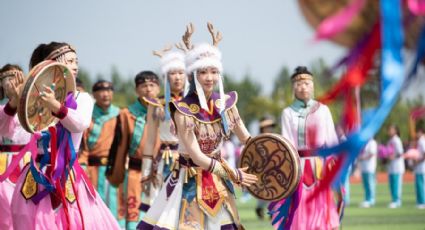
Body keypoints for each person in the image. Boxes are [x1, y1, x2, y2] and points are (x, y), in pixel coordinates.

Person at [137, 22, 257, 230]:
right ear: (193, 75)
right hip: (188, 180)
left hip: (219, 181)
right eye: (203, 72)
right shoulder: (183, 109)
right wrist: (232, 173)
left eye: (213, 71)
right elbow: (196, 155)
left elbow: (247, 139)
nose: (209, 77)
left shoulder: (227, 104)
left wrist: (274, 153)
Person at [10, 41, 120, 229]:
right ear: (51, 65)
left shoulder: (82, 98)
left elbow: (80, 124)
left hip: (67, 174)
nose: (75, 66)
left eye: (76, 61)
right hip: (37, 172)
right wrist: (15, 101)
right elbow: (14, 132)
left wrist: (56, 106)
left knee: (74, 221)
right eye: (69, 61)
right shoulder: (33, 101)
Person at [273, 66, 340, 229]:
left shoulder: (323, 110)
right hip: (298, 167)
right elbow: (287, 142)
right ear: (293, 88)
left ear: (313, 86)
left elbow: (331, 139)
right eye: (298, 83)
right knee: (299, 207)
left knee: (322, 206)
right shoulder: (287, 113)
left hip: (319, 166)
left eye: (307, 83)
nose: (303, 87)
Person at [106, 71, 161, 229]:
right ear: (137, 90)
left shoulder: (167, 111)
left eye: (152, 85)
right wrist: (117, 174)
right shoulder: (127, 114)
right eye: (144, 86)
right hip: (135, 173)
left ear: (158, 88)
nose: (148, 89)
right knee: (134, 215)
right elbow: (120, 148)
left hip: (160, 173)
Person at [141, 47, 186, 214]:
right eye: (173, 73)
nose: (178, 77)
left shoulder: (194, 103)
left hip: (192, 161)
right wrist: (146, 174)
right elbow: (150, 140)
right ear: (166, 76)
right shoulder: (156, 104)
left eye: (181, 72)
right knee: (166, 209)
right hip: (166, 161)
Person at [79, 80, 120, 218]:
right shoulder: (87, 115)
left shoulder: (119, 115)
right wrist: (82, 165)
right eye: (101, 91)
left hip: (113, 169)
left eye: (109, 90)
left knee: (114, 207)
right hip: (91, 169)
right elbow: (82, 145)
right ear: (94, 95)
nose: (105, 94)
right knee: (92, 208)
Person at [0, 64, 31, 230]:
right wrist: (13, 102)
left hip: (28, 162)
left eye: (15, 78)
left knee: (27, 213)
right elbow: (4, 125)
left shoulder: (32, 108)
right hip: (3, 166)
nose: (11, 83)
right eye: (6, 79)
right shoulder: (2, 109)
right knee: (5, 214)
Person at [255, 115, 276, 220]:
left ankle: (272, 211)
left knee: (274, 192)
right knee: (264, 193)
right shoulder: (258, 140)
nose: (270, 128)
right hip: (262, 170)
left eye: (271, 126)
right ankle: (260, 208)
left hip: (274, 170)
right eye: (268, 126)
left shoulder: (275, 138)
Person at [386, 124, 405, 208]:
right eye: (389, 130)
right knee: (392, 184)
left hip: (397, 166)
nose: (389, 131)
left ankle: (397, 201)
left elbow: (400, 153)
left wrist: (392, 156)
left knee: (396, 184)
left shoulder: (397, 140)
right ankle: (394, 200)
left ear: (395, 131)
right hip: (391, 166)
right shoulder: (390, 140)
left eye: (391, 130)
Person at [358, 138, 378, 208]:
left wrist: (363, 158)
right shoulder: (365, 142)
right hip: (364, 166)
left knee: (370, 183)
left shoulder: (372, 142)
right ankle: (367, 199)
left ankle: (371, 199)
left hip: (370, 166)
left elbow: (372, 154)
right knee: (366, 184)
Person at [414, 127, 425, 209]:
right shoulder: (419, 141)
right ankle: (419, 201)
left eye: (417, 132)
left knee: (421, 185)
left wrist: (418, 160)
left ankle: (422, 202)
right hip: (419, 167)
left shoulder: (422, 140)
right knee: (418, 185)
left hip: (422, 166)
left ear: (421, 132)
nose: (416, 134)